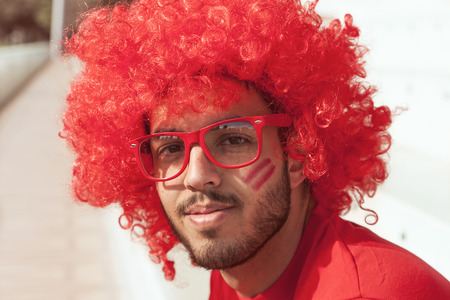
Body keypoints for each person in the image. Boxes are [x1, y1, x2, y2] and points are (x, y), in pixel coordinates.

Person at [61, 0, 450, 298]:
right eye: (170, 148)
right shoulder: (238, 264)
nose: (197, 176)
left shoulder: (372, 292)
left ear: (299, 151)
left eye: (232, 139)